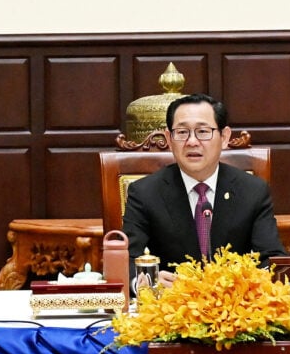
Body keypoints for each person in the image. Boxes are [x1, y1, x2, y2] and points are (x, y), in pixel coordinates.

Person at [120, 93, 281, 278]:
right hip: (171, 295)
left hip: (231, 294)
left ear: (224, 137)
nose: (192, 142)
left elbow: (272, 259)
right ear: (169, 139)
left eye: (203, 132)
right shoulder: (144, 193)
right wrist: (150, 281)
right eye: (182, 132)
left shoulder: (253, 191)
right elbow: (127, 261)